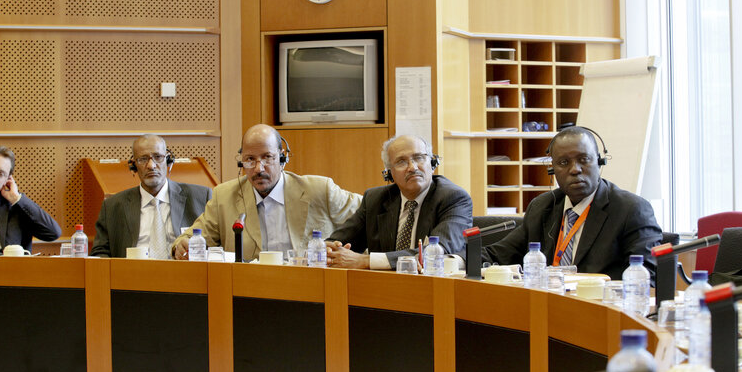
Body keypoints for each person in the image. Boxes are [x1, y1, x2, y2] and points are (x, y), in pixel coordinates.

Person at [481, 126, 661, 281]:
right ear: (552, 169)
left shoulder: (631, 210)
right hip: (546, 308)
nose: (575, 169)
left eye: (584, 160)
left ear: (599, 162)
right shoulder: (542, 207)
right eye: (564, 162)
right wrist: (456, 260)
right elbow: (498, 254)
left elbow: (648, 278)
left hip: (599, 310)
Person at [172, 124, 362, 260]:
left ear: (282, 158)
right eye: (250, 160)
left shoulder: (319, 189)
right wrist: (182, 246)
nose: (258, 168)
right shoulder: (224, 196)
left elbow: (369, 214)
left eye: (267, 158)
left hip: (311, 289)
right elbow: (190, 237)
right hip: (250, 292)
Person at [326, 135, 473, 270]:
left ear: (433, 163)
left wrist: (366, 261)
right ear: (389, 174)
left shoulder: (454, 198)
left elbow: (436, 252)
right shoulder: (375, 199)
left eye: (419, 158)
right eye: (401, 162)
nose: (413, 167)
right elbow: (339, 242)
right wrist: (328, 249)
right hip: (381, 288)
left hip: (431, 287)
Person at [90, 134, 212, 258]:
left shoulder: (201, 197)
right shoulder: (112, 206)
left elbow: (216, 247)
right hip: (131, 274)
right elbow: (100, 254)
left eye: (158, 157)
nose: (151, 165)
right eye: (143, 159)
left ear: (168, 161)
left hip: (185, 274)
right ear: (133, 166)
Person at [0, 146, 61, 254]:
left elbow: (52, 233)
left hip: (4, 268)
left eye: (0, 174)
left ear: (8, 179)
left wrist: (16, 199)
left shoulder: (15, 206)